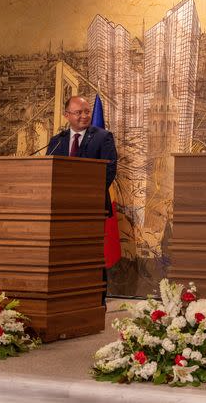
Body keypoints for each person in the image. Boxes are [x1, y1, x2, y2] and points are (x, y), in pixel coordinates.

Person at [46, 95, 118, 305]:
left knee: (92, 255)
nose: (84, 116)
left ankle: (96, 301)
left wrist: (85, 196)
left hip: (91, 209)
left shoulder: (103, 137)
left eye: (87, 111)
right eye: (79, 112)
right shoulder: (56, 141)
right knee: (65, 255)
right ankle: (66, 298)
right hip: (60, 210)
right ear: (67, 115)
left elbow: (109, 170)